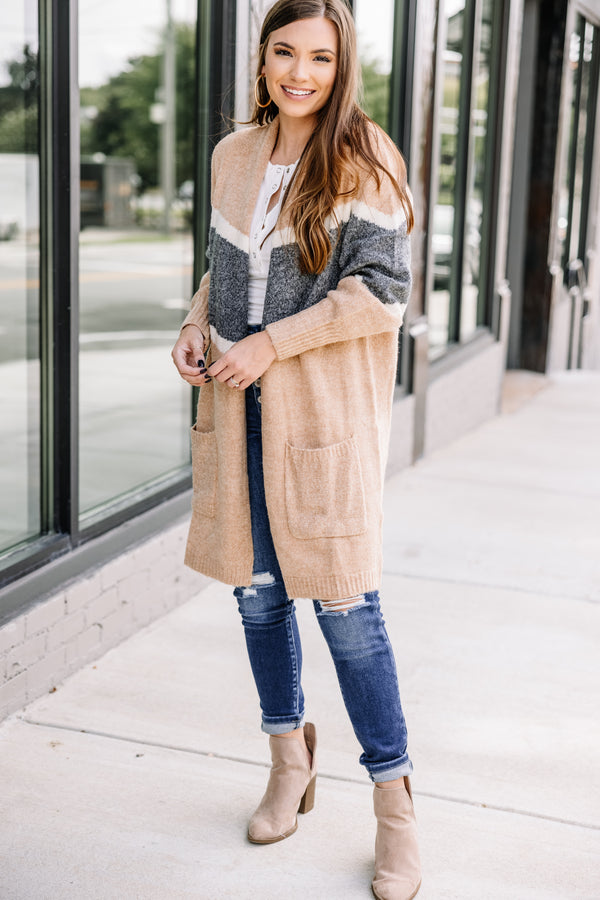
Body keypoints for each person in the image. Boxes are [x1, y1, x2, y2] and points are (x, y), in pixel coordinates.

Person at [171, 1, 420, 897]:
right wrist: (197, 328)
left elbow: (381, 292)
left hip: (319, 423)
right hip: (236, 416)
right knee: (259, 597)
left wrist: (272, 342)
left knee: (347, 613)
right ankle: (289, 759)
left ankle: (394, 810)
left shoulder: (366, 159)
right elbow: (219, 267)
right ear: (264, 57)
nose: (299, 72)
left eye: (319, 56)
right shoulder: (234, 154)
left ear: (342, 63)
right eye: (284, 52)